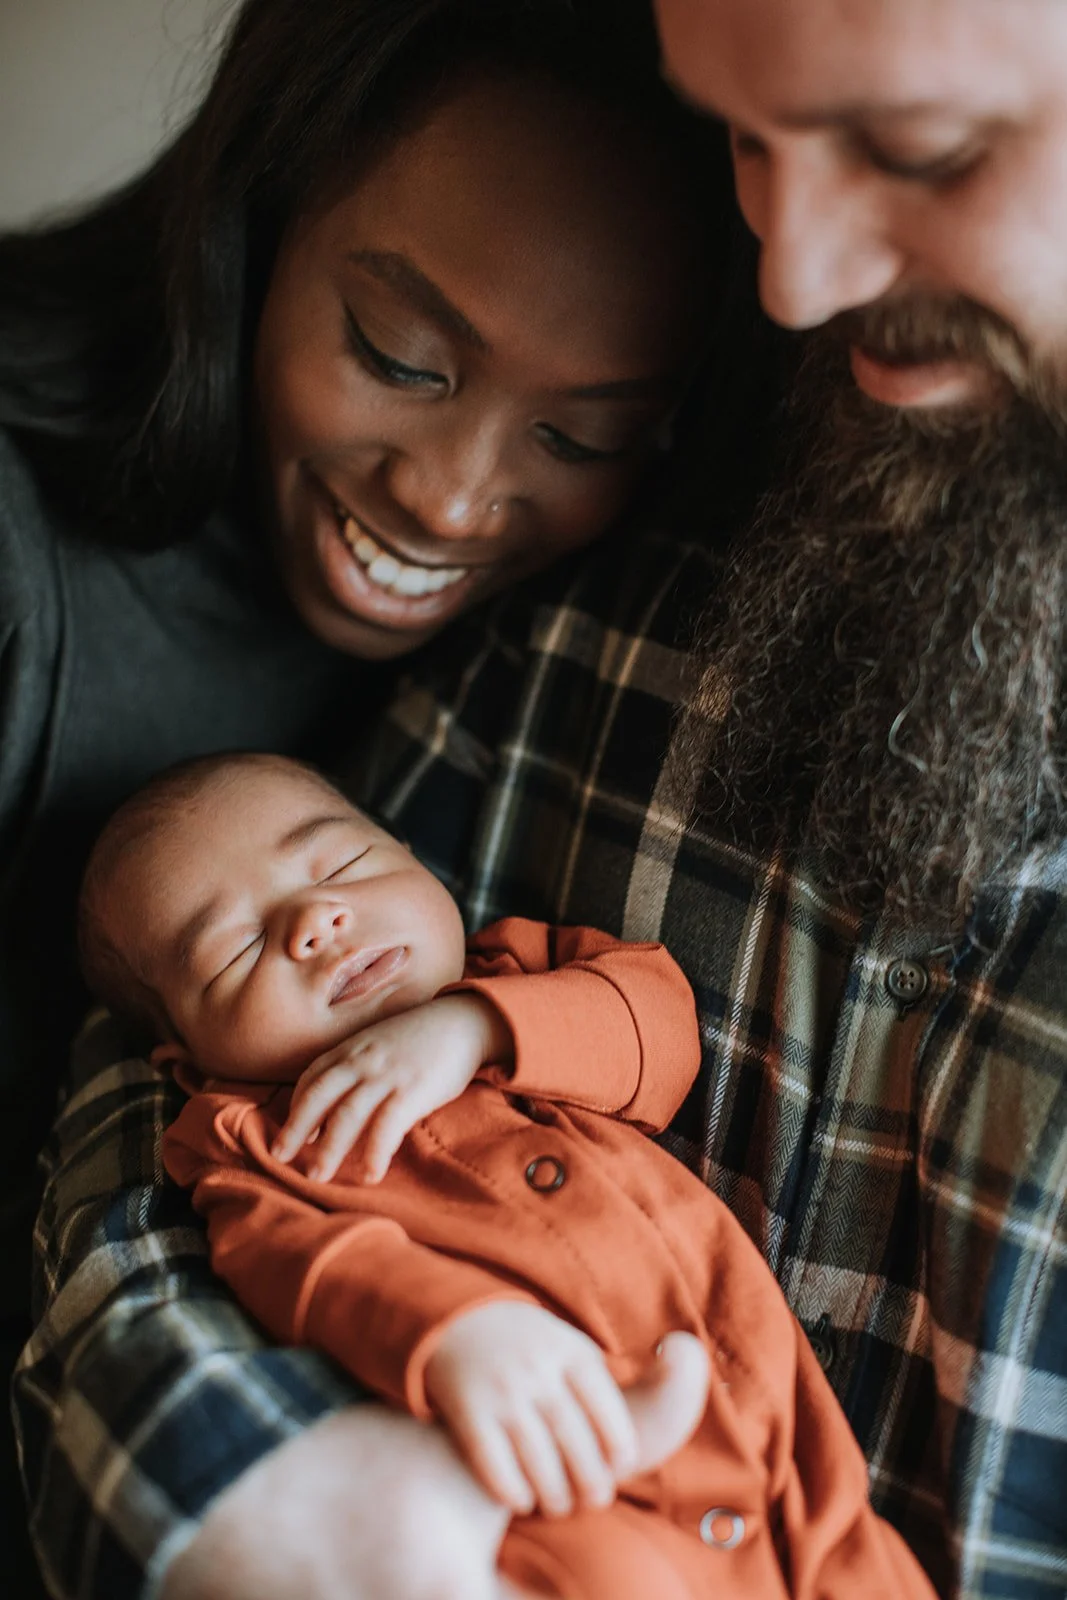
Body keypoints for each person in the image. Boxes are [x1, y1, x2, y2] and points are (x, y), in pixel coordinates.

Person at [18, 2, 1067, 1599]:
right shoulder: (577, 637)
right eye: (743, 145)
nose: (787, 281)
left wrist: (482, 1030)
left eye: (913, 150)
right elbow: (178, 1163)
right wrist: (305, 1482)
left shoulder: (487, 910)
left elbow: (635, 1016)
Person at [0, 0, 732, 1592]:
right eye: (399, 358)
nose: (453, 498)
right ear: (256, 212)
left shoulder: (600, 617)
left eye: (578, 432)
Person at [77, 749, 937, 1600]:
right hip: (571, 1475)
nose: (314, 921)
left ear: (412, 858)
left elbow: (661, 1029)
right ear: (187, 1065)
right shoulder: (255, 1138)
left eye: (342, 862)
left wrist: (475, 1030)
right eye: (232, 950)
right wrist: (458, 1332)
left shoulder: (519, 974)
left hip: (780, 1439)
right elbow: (310, 1265)